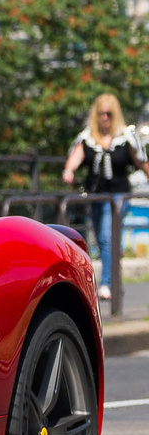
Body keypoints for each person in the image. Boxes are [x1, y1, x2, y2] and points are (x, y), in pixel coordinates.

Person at [61, 92, 148, 301]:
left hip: (118, 195)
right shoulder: (88, 137)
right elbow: (75, 157)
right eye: (102, 114)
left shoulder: (125, 137)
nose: (105, 118)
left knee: (108, 236)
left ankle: (107, 284)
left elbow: (142, 161)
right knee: (102, 239)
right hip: (96, 195)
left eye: (109, 114)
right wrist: (69, 171)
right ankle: (115, 281)